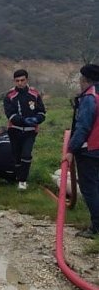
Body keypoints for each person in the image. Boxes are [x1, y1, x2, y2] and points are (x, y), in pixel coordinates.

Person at [64, 64, 99, 237]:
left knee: (90, 188)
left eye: (80, 78)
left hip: (89, 150)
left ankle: (96, 227)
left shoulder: (89, 98)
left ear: (85, 79)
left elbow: (83, 127)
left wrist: (70, 149)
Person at [3, 69, 46, 190]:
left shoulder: (35, 94)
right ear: (14, 81)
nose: (20, 83)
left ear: (27, 80)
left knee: (26, 155)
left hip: (30, 131)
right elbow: (10, 114)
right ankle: (17, 176)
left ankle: (23, 181)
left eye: (22, 80)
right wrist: (23, 120)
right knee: (16, 156)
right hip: (14, 130)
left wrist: (37, 119)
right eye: (17, 81)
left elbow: (42, 112)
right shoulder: (9, 96)